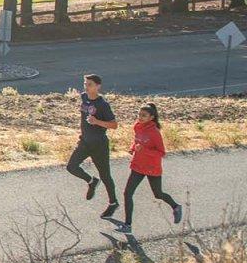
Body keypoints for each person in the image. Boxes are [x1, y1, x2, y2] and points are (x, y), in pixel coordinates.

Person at [117, 103, 183, 234]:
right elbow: (137, 141)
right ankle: (127, 225)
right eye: (139, 114)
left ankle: (176, 206)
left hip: (152, 167)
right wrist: (133, 148)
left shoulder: (154, 132)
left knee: (158, 194)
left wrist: (144, 150)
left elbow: (161, 153)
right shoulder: (137, 127)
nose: (140, 117)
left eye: (144, 115)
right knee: (127, 193)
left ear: (152, 117)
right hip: (138, 165)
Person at [65, 74, 120, 219]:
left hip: (99, 145)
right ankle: (91, 181)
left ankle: (113, 203)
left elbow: (114, 125)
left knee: (105, 175)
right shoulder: (84, 97)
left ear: (98, 86)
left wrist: (97, 122)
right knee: (71, 166)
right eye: (85, 84)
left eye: (89, 84)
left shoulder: (103, 105)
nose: (86, 87)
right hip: (84, 142)